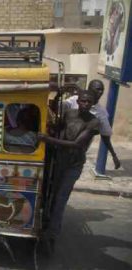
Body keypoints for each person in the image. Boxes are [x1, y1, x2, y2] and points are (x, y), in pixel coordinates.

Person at [38, 90, 100, 249]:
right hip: (59, 160)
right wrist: (58, 96)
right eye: (83, 101)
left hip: (73, 164)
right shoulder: (69, 113)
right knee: (51, 194)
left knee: (60, 199)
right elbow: (56, 126)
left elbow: (77, 144)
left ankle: (52, 234)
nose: (85, 104)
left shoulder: (94, 122)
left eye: (89, 102)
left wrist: (47, 139)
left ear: (93, 104)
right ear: (78, 101)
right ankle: (47, 224)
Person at [61, 80, 121, 169]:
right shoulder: (74, 100)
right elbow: (62, 107)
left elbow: (105, 136)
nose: (100, 92)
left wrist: (114, 155)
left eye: (102, 90)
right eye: (97, 89)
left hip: (78, 153)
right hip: (61, 148)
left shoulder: (101, 113)